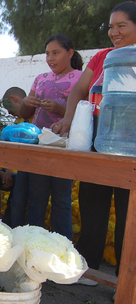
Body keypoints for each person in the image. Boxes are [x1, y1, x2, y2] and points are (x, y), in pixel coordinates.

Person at [52, 1, 136, 283]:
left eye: (121, 25)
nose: (114, 32)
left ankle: (125, 284)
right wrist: (69, 120)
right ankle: (89, 268)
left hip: (131, 147)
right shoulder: (102, 57)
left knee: (129, 214)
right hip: (99, 139)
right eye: (112, 26)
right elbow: (78, 91)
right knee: (93, 202)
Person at [20, 33, 84, 240]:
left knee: (61, 199)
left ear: (70, 53)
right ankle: (32, 244)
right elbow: (25, 114)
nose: (50, 58)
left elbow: (85, 113)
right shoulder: (41, 79)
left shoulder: (81, 78)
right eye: (47, 53)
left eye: (56, 53)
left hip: (64, 148)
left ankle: (62, 247)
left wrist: (59, 108)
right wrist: (27, 104)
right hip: (39, 145)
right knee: (37, 197)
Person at [1, 87, 30, 228]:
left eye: (9, 108)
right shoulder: (17, 123)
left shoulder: (34, 118)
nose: (9, 113)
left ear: (14, 99)